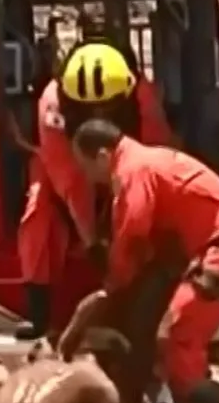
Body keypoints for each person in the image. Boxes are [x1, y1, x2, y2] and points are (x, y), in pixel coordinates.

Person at [64, 118, 219, 403]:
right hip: (218, 252)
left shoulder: (133, 171)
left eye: (87, 167)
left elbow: (132, 234)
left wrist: (112, 287)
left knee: (173, 335)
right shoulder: (148, 161)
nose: (89, 178)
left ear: (102, 156)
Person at [14, 41, 175, 341]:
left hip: (129, 161)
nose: (99, 113)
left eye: (108, 107)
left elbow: (160, 156)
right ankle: (38, 310)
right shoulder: (52, 107)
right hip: (64, 163)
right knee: (37, 210)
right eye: (90, 109)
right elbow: (70, 180)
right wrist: (92, 243)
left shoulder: (142, 95)